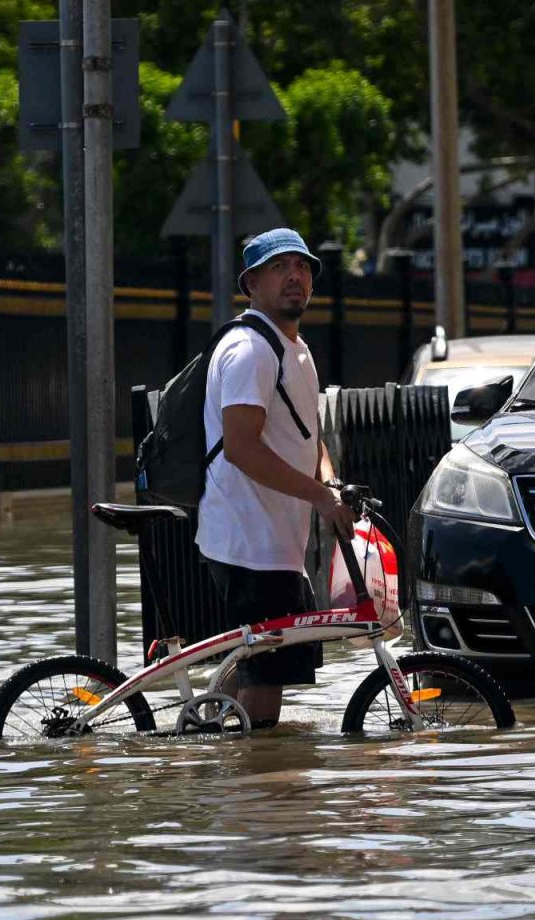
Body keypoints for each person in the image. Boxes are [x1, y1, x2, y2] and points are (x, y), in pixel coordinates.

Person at [196, 227, 356, 728]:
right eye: (279, 267)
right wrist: (321, 498)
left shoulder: (297, 351)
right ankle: (259, 774)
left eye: (303, 266)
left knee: (257, 658)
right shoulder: (250, 350)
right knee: (267, 684)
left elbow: (309, 437)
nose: (295, 276)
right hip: (249, 541)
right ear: (252, 284)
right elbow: (241, 447)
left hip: (276, 543)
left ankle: (205, 738)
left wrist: (329, 483)